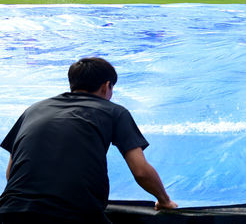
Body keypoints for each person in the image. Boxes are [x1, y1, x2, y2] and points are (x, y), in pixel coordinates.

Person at [0, 58, 177, 224]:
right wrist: (164, 200)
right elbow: (140, 171)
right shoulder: (114, 111)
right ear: (107, 86)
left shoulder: (34, 109)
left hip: (11, 211)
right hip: (74, 214)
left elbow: (11, 172)